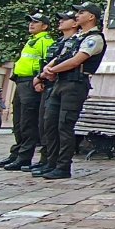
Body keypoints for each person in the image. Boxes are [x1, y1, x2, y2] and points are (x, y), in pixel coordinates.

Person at [35, 2, 106, 180]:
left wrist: (52, 71)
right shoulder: (76, 38)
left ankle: (63, 166)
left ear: (91, 17)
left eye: (81, 12)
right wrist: (46, 72)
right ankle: (51, 163)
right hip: (60, 83)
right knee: (49, 124)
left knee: (64, 126)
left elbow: (76, 61)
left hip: (75, 85)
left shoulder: (94, 38)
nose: (77, 15)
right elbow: (61, 57)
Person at [0, 12, 55, 171]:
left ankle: (24, 156)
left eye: (36, 22)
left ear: (45, 26)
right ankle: (17, 152)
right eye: (31, 22)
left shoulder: (45, 41)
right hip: (21, 81)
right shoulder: (31, 41)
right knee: (19, 121)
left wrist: (40, 80)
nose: (31, 24)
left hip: (32, 82)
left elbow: (47, 62)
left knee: (28, 121)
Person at [28, 10, 79, 174]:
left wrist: (45, 74)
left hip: (63, 83)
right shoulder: (59, 42)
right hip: (51, 83)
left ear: (74, 23)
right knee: (46, 125)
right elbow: (49, 62)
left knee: (61, 126)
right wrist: (41, 77)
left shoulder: (78, 41)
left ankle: (59, 165)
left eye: (65, 19)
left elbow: (70, 62)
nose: (61, 21)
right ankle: (48, 161)